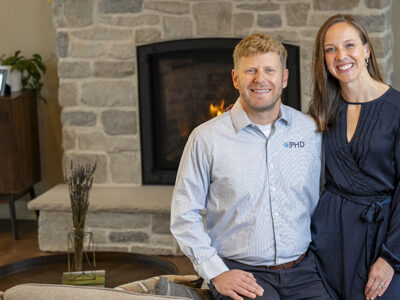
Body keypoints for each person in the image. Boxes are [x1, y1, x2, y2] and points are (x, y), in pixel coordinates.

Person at [171, 33, 330, 300]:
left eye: (269, 70)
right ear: (235, 78)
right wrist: (216, 272)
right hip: (240, 272)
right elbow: (184, 216)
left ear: (284, 78)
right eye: (251, 71)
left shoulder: (310, 131)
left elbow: (325, 200)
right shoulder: (206, 138)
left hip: (304, 271)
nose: (260, 79)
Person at [308, 14, 400, 300]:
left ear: (366, 50)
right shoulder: (321, 109)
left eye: (349, 45)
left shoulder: (397, 109)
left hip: (383, 236)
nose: (341, 56)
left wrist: (390, 258)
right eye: (330, 49)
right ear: (323, 58)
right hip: (329, 236)